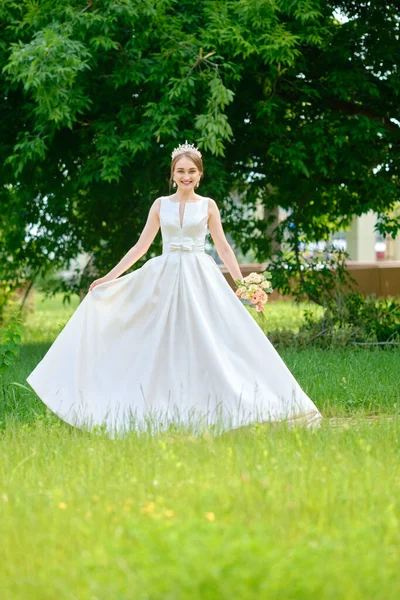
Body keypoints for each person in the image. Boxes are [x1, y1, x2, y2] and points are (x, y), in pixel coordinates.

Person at [26, 141, 323, 437]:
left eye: (191, 171)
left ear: (200, 174)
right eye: (180, 171)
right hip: (165, 275)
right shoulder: (160, 205)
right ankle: (158, 401)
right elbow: (141, 247)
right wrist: (108, 277)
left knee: (216, 337)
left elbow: (223, 247)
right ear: (172, 174)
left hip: (200, 277)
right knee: (158, 337)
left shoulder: (208, 206)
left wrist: (243, 283)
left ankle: (233, 401)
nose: (186, 176)